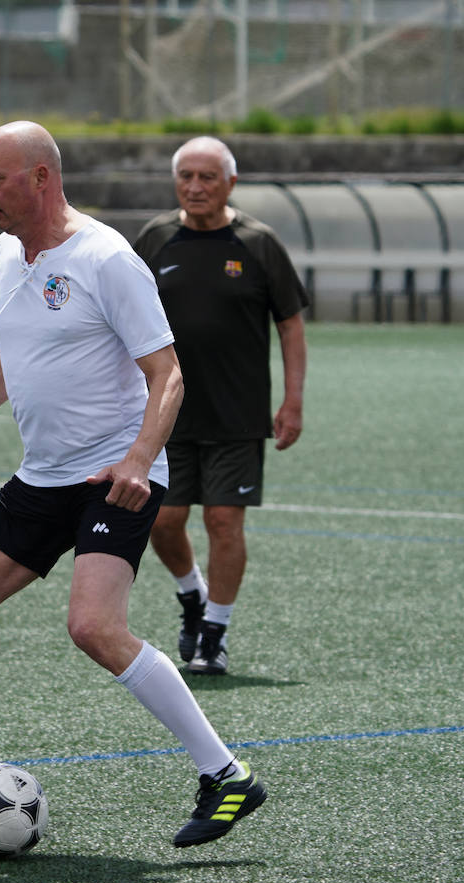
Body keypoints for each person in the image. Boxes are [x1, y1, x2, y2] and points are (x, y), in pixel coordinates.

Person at [0, 122, 265, 850]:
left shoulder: (105, 258)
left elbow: (170, 374)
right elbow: (14, 349)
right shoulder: (8, 251)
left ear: (40, 177)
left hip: (111, 475)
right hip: (45, 474)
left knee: (94, 627)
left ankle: (225, 774)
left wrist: (136, 460)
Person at [132, 136, 308, 676]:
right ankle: (191, 594)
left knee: (225, 522)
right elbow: (123, 316)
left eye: (208, 177)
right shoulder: (156, 239)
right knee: (163, 520)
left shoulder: (258, 243)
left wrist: (293, 400)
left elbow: (291, 325)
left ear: (230, 183)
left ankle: (215, 631)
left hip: (238, 414)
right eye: (186, 175)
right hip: (166, 411)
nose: (195, 186)